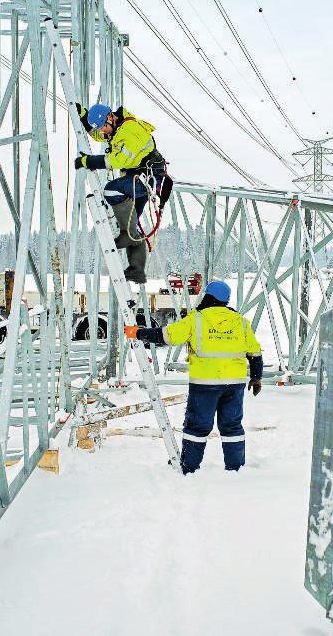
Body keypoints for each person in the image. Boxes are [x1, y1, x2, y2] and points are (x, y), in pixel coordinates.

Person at [125, 280, 262, 474]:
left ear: (208, 296)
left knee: (197, 427)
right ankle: (236, 468)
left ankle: (189, 467)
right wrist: (256, 377)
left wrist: (138, 333)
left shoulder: (196, 319)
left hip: (205, 385)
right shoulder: (240, 321)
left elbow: (166, 336)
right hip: (234, 384)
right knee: (232, 426)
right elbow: (255, 353)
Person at [73, 103, 172, 284]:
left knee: (111, 190)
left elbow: (117, 160)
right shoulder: (115, 128)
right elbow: (99, 135)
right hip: (141, 178)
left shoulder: (129, 131)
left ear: (111, 118)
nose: (103, 130)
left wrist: (88, 161)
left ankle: (127, 236)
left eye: (103, 125)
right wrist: (84, 116)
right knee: (131, 226)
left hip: (147, 178)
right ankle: (137, 270)